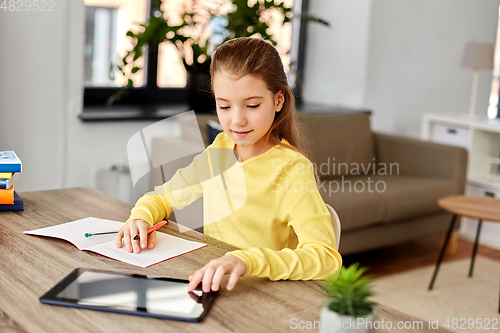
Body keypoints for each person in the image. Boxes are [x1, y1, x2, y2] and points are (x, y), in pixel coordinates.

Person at [116, 37, 342, 293]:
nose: (237, 120)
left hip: (265, 293)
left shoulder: (290, 169)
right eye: (224, 106)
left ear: (278, 101)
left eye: (252, 105)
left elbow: (326, 258)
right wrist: (141, 218)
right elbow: (162, 197)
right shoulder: (221, 149)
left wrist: (248, 260)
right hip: (214, 283)